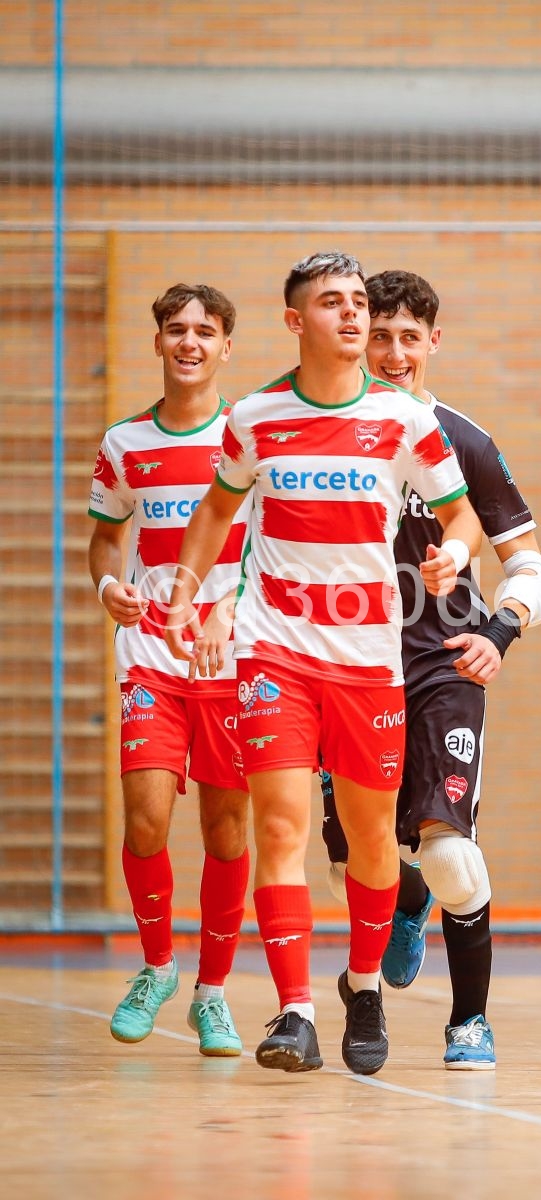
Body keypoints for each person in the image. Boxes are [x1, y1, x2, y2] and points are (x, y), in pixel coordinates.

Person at [163, 250, 483, 1077]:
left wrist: (451, 551)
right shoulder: (256, 418)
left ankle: (365, 987)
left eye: (356, 302)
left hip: (369, 659)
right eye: (333, 303)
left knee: (376, 842)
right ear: (296, 321)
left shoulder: (407, 421)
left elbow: (462, 516)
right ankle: (295, 1011)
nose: (353, 315)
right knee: (280, 827)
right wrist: (190, 596)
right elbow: (216, 510)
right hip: (273, 650)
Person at [322, 270, 541, 1069]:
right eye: (377, 334)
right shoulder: (320, 436)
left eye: (407, 337)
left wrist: (499, 632)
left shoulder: (466, 441)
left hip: (442, 669)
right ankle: (406, 902)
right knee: (354, 863)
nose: (391, 352)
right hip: (344, 668)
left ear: (432, 342)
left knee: (451, 853)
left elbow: (533, 570)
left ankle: (469, 1020)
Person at [87, 283, 250, 1055]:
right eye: (176, 329)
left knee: (225, 834)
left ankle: (212, 994)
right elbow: (104, 540)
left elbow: (272, 548)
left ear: (226, 347)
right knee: (146, 821)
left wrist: (228, 608)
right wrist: (107, 587)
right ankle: (157, 968)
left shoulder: (250, 436)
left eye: (205, 331)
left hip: (235, 659)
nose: (190, 342)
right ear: (157, 342)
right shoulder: (124, 442)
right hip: (150, 655)